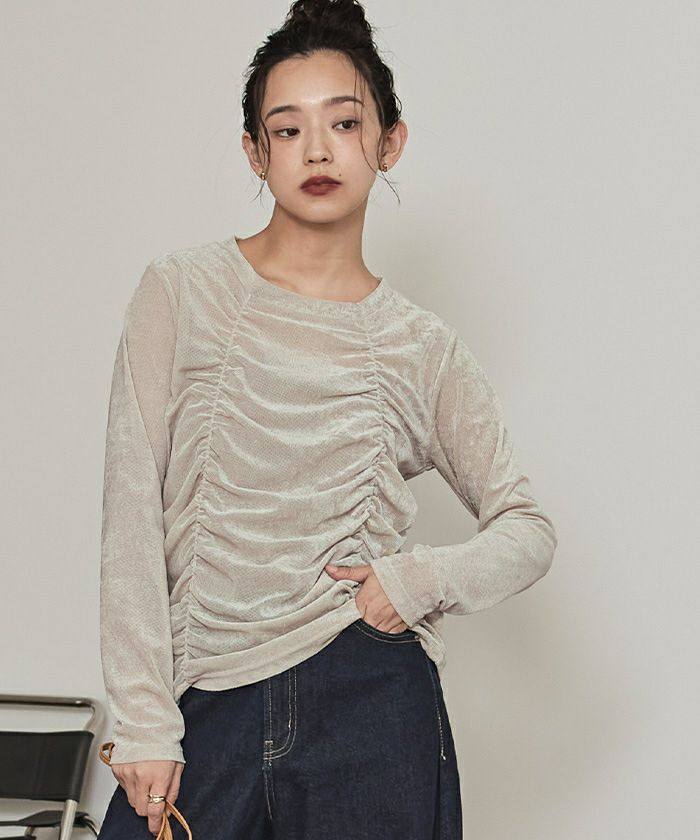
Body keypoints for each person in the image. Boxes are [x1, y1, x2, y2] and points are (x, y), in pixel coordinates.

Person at [96, 1, 558, 838]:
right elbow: (130, 511)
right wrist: (144, 719)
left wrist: (418, 581)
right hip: (204, 702)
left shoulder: (420, 346)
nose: (316, 150)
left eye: (344, 123)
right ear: (255, 152)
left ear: (390, 142)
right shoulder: (183, 293)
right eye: (287, 129)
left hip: (369, 700)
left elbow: (527, 529)